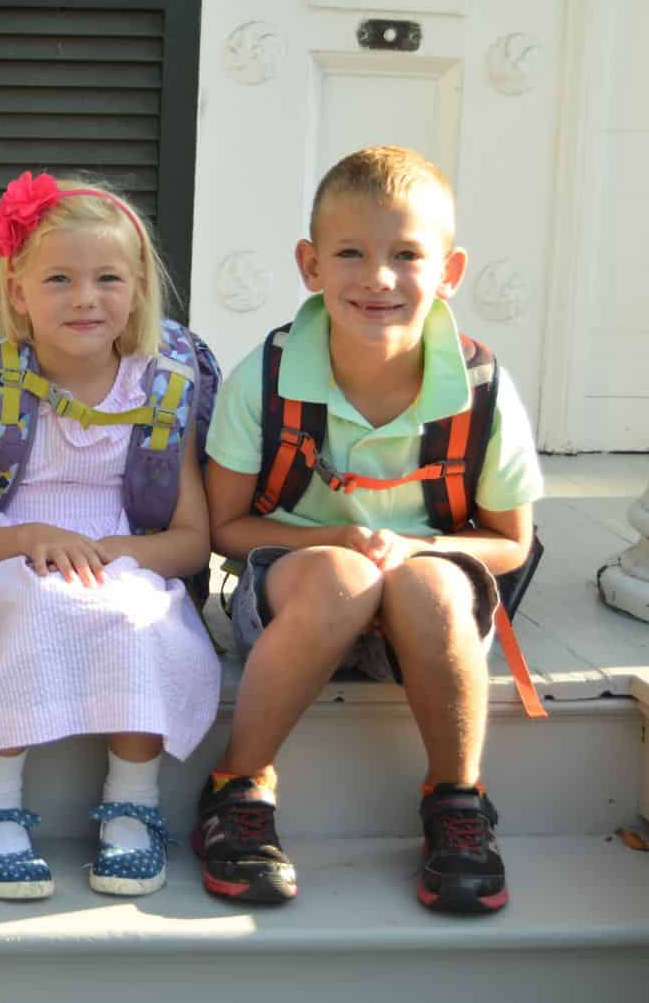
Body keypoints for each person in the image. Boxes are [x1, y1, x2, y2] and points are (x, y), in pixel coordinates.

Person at [201, 145, 543, 914]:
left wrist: (420, 549)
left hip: (430, 614)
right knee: (343, 575)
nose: (377, 277)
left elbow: (511, 541)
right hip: (299, 595)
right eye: (350, 252)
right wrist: (336, 541)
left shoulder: (482, 386)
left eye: (406, 255)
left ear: (450, 272)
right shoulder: (269, 374)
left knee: (422, 581)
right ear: (310, 264)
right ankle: (238, 786)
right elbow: (226, 526)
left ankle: (457, 799)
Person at [0, 172, 220, 900]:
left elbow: (193, 541)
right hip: (7, 554)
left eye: (108, 278)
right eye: (60, 278)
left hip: (123, 556)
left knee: (139, 614)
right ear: (18, 292)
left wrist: (116, 554)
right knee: (40, 603)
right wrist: (33, 535)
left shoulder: (161, 392)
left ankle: (133, 801)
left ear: (136, 289)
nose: (85, 298)